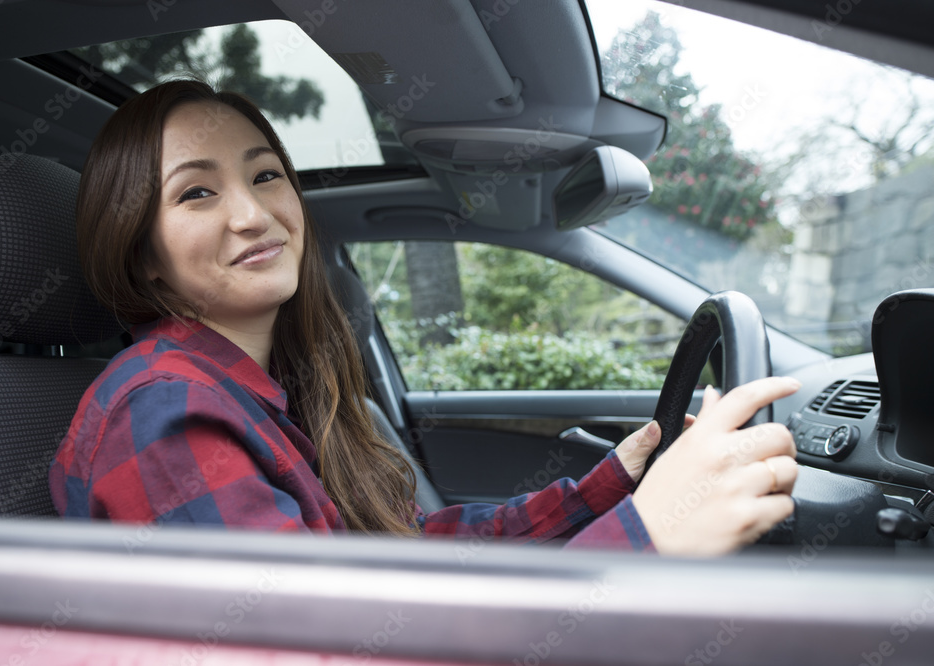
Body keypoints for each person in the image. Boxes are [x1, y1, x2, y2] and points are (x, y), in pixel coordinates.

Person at [49, 79, 799, 555]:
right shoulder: (165, 413)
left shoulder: (266, 392)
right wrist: (649, 537)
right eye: (197, 193)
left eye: (266, 174)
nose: (253, 213)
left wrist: (618, 483)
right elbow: (316, 650)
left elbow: (404, 550)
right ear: (143, 252)